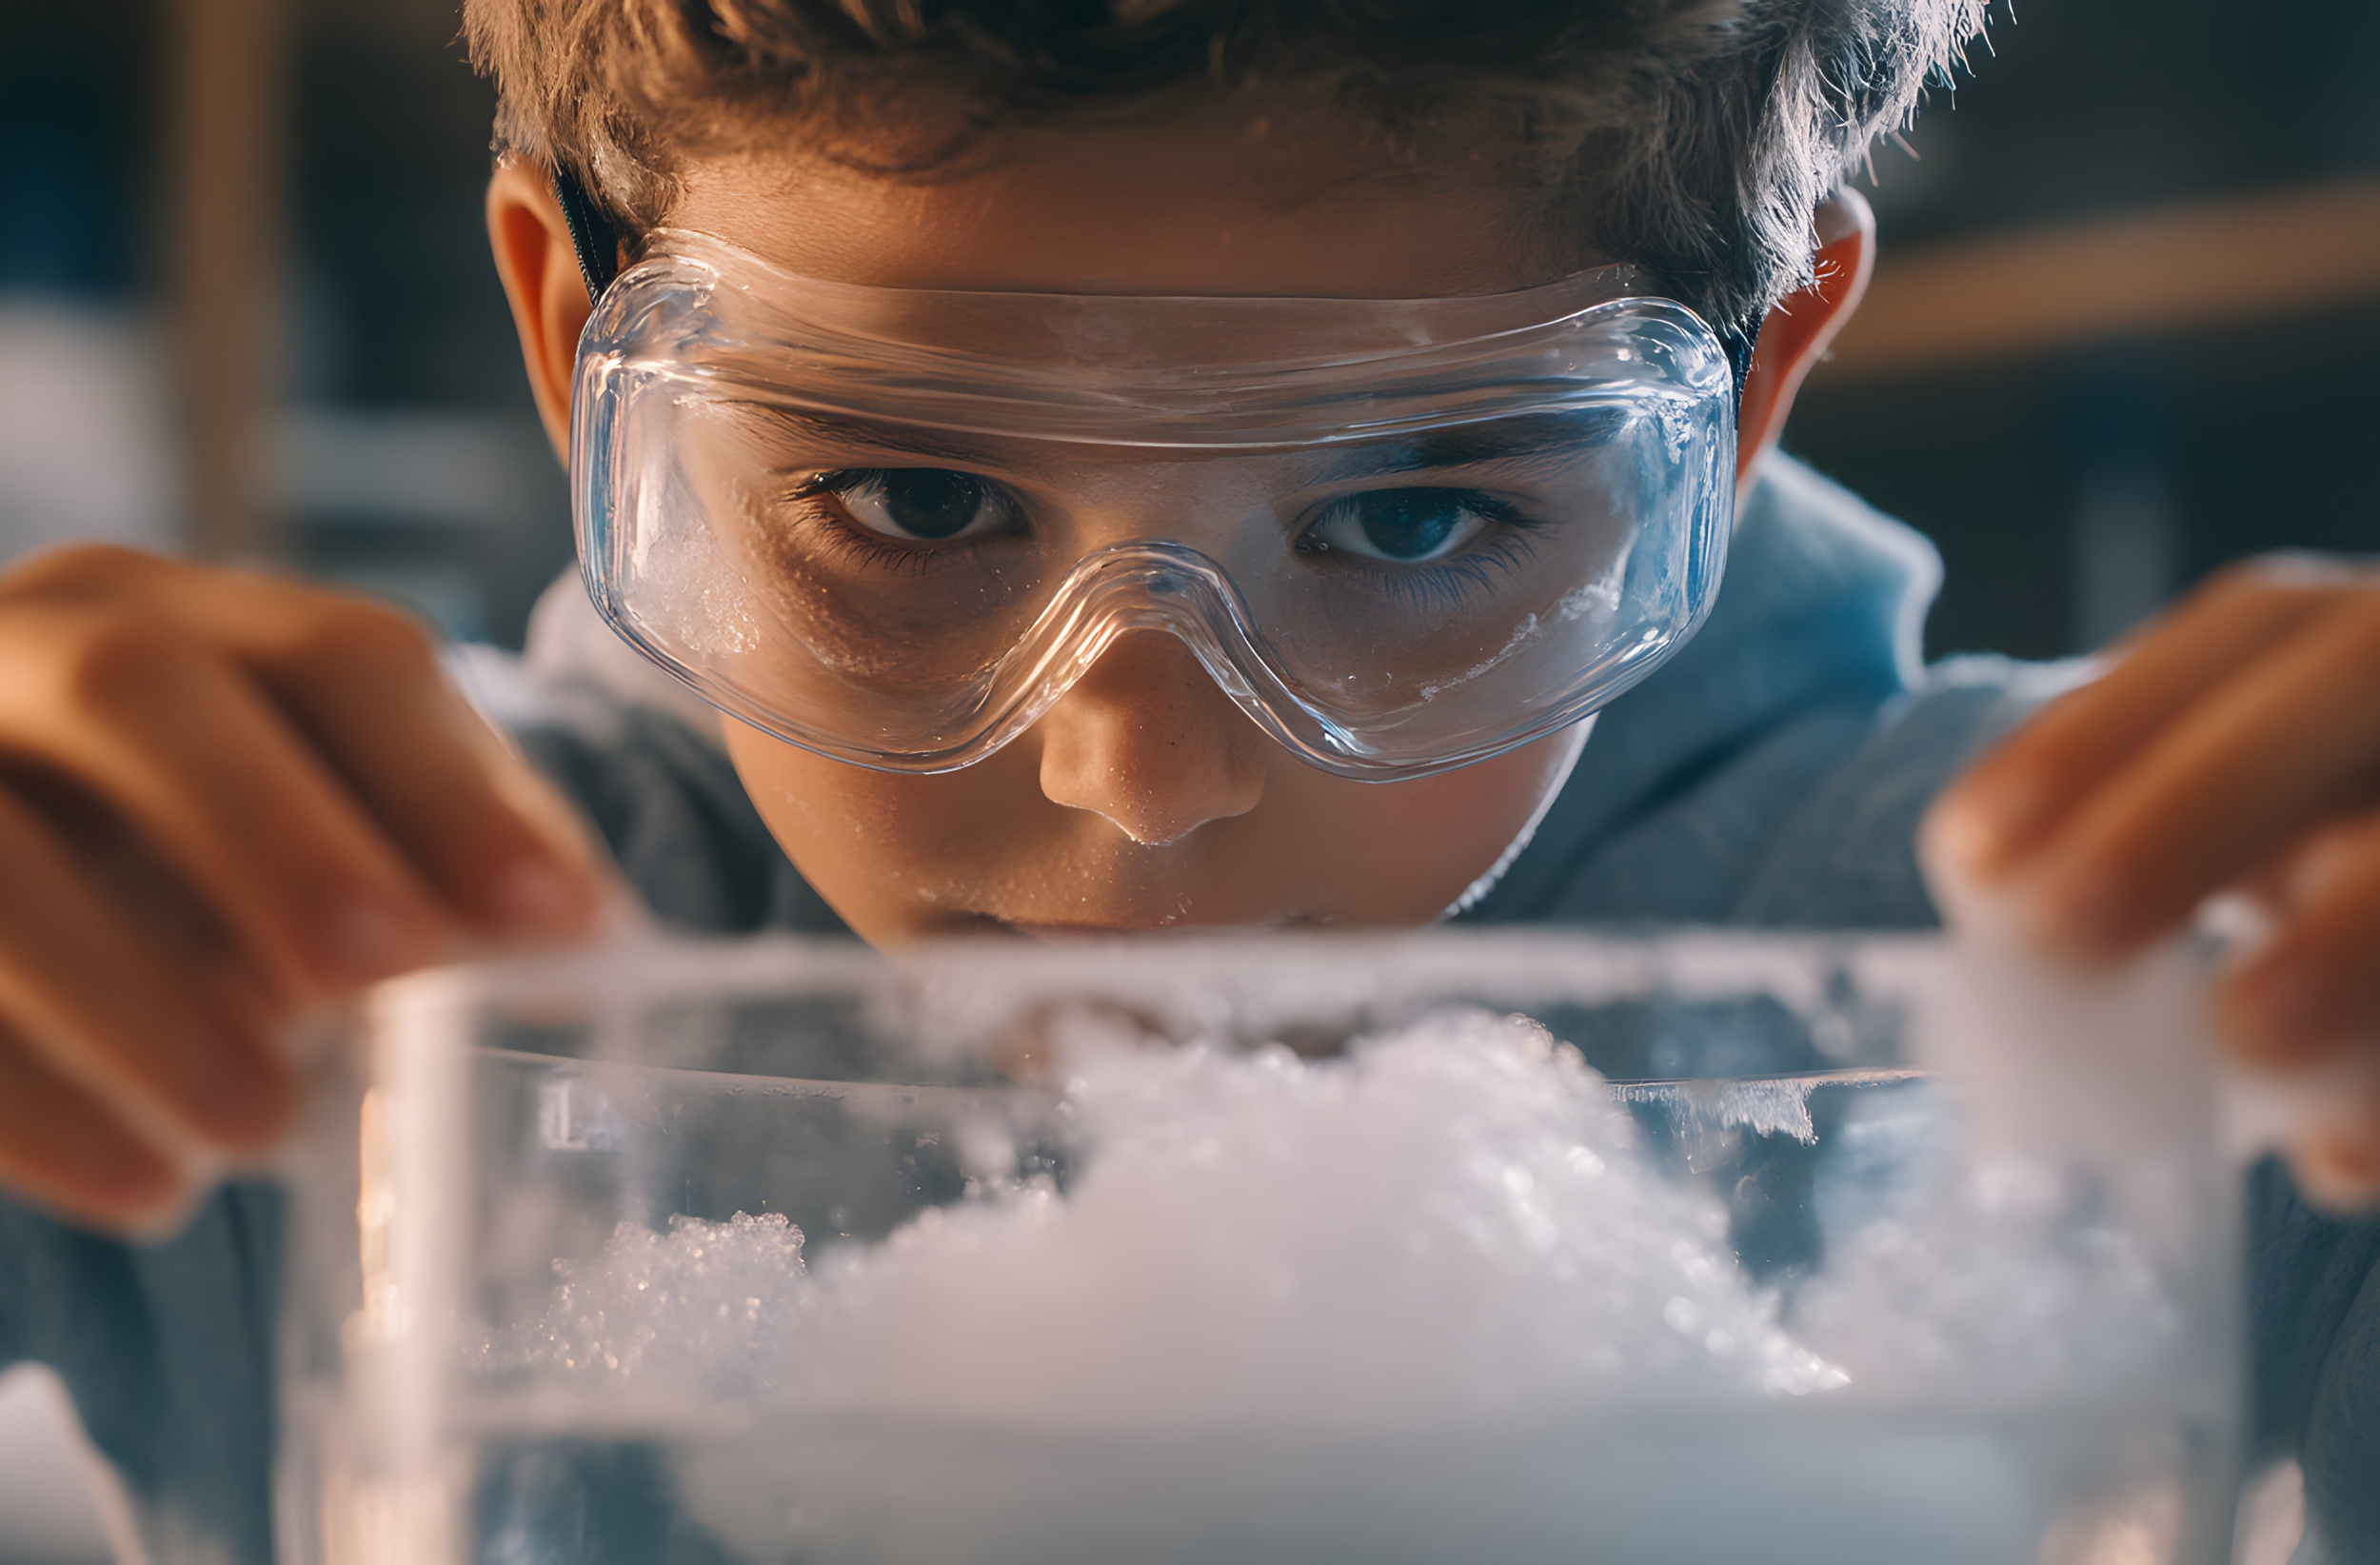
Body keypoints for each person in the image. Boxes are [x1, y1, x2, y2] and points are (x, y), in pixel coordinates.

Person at [0, 0, 2374, 1558]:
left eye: (1414, 519)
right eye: (912, 508)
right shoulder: (278, 982)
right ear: (567, 336)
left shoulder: (2174, 1021)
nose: (1139, 779)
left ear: (1742, 409)